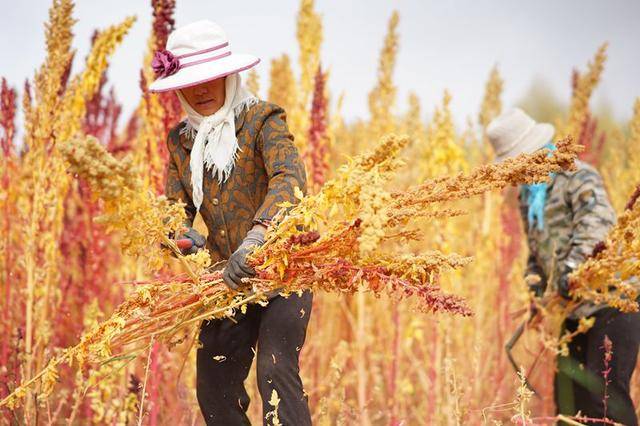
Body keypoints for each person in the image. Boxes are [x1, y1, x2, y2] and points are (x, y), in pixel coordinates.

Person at [149, 20, 312, 425]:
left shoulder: (262, 120)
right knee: (214, 387)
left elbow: (290, 181)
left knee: (275, 372)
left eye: (211, 79)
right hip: (227, 280)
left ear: (229, 76)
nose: (201, 90)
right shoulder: (180, 142)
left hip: (284, 270)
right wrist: (178, 237)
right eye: (190, 82)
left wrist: (257, 238)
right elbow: (176, 209)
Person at [487, 109, 640, 425]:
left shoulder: (578, 176)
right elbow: (536, 253)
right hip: (571, 309)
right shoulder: (528, 197)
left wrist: (569, 269)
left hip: (611, 302)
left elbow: (598, 226)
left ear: (530, 154)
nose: (512, 176)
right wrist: (537, 289)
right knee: (570, 408)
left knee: (606, 403)